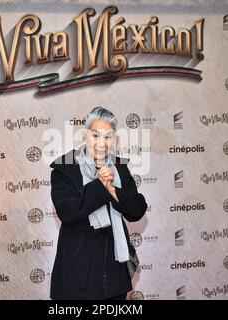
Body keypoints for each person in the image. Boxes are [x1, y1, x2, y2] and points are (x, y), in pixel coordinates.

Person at [49, 106, 148, 300]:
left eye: (108, 137)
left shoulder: (119, 166)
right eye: (95, 136)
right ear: (85, 135)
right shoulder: (65, 168)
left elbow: (136, 210)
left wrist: (112, 189)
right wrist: (100, 186)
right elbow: (68, 213)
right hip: (78, 271)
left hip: (114, 271)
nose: (101, 143)